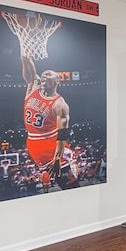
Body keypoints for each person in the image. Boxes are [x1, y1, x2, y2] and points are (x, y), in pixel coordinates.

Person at [21, 53, 79, 190]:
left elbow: (62, 135)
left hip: (52, 141)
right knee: (56, 180)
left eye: (49, 74)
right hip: (33, 142)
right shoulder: (32, 87)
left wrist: (57, 158)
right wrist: (25, 56)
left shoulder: (60, 104)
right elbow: (28, 68)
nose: (44, 76)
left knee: (69, 183)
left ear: (57, 81)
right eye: (43, 74)